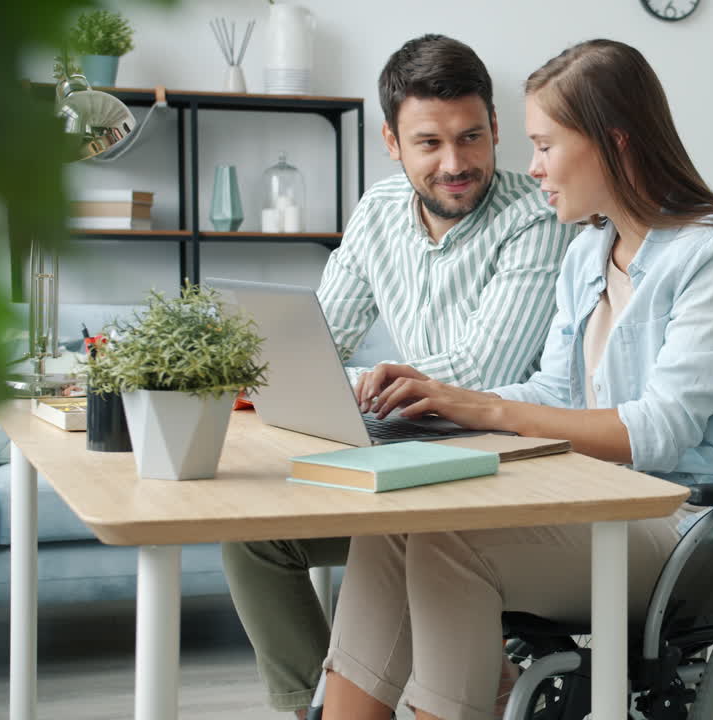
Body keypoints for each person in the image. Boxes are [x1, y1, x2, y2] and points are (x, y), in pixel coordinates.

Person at [319, 39, 713, 720]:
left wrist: (481, 409)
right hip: (610, 506)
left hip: (703, 527)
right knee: (393, 525)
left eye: (546, 145)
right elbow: (555, 393)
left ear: (612, 143)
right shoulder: (588, 252)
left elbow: (658, 432)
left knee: (449, 541)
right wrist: (442, 405)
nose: (533, 167)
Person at [220, 34, 578, 718]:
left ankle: (457, 681)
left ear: (497, 127)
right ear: (391, 141)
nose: (456, 163)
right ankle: (314, 705)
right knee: (253, 532)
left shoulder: (537, 217)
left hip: (502, 463)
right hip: (406, 450)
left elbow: (484, 370)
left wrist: (352, 381)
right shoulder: (379, 211)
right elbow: (318, 333)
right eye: (429, 144)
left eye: (472, 137)